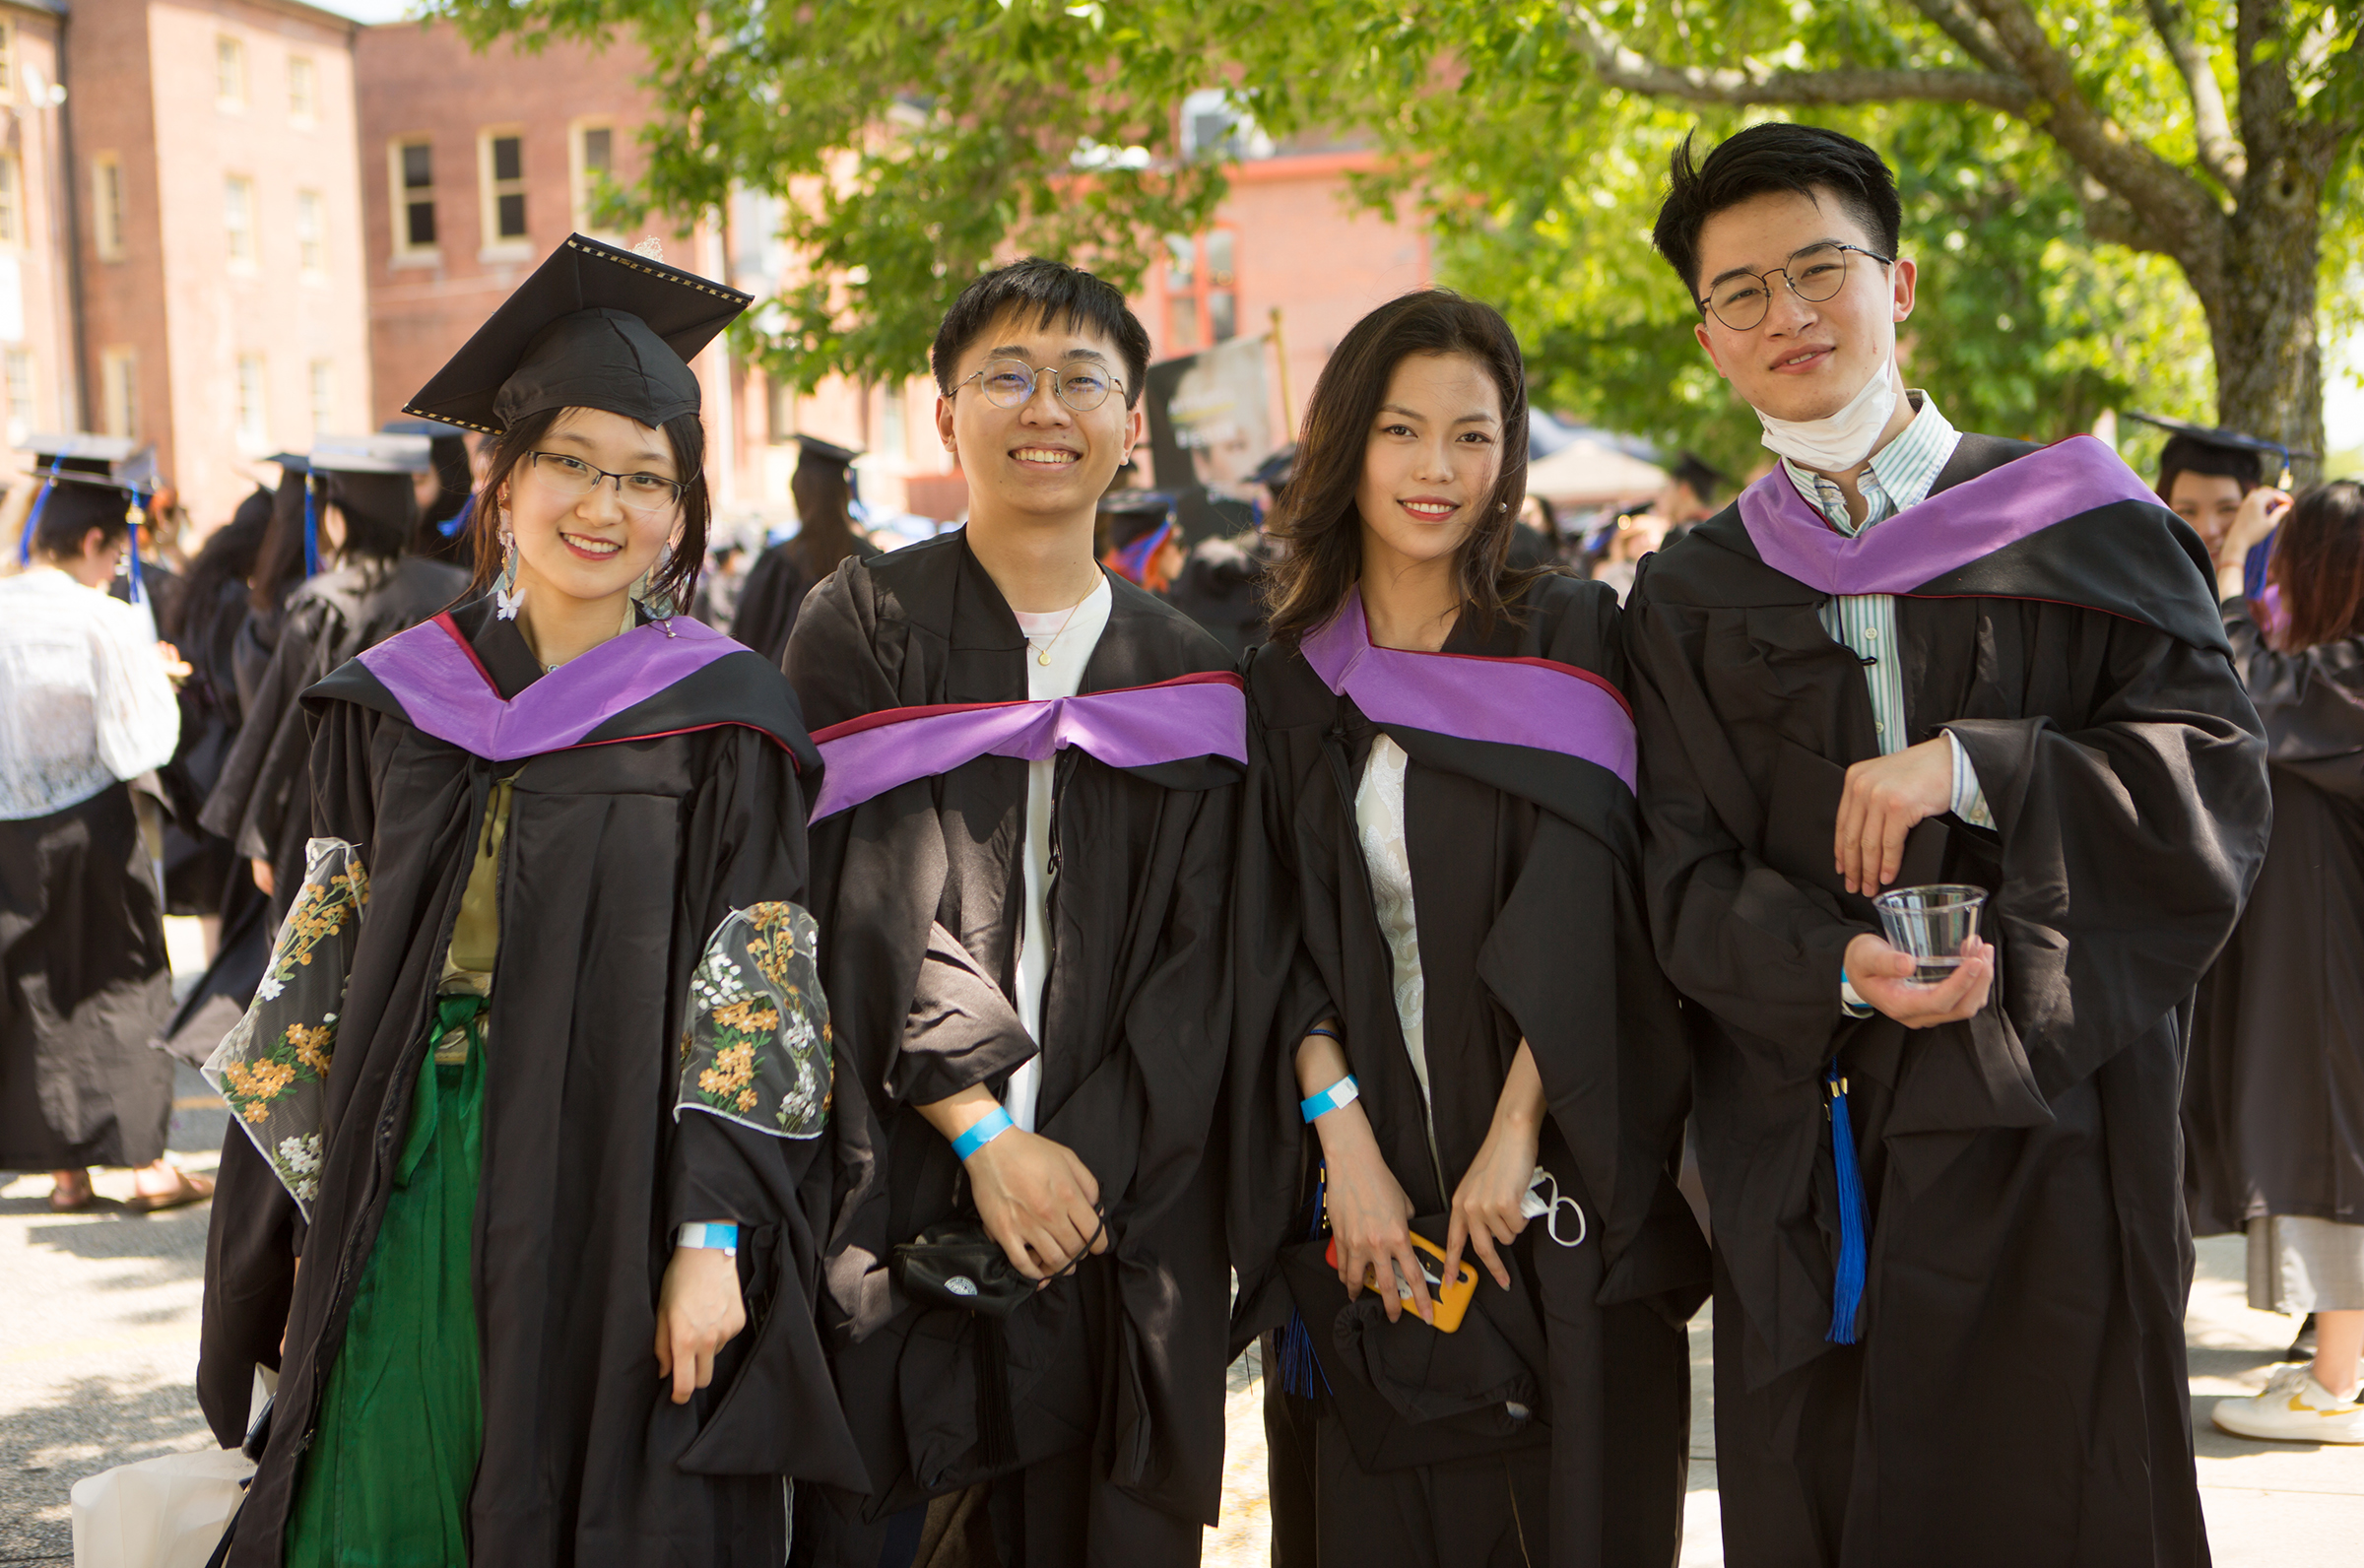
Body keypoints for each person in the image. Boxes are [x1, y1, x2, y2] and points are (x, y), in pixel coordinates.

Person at [1620, 122, 2269, 1565]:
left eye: (1820, 269)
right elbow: (1674, 867)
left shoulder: (2085, 525)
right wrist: (1835, 963)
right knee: (1834, 1490)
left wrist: (1976, 765)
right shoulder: (1689, 595)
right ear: (1710, 338)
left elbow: (2215, 780)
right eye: (1742, 292)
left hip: (2056, 1114)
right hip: (1819, 1142)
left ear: (1899, 284)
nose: (1788, 315)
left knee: (2058, 1489)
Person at [198, 232, 863, 1565]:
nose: (602, 505)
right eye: (569, 462)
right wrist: (278, 1249)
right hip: (416, 1167)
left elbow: (756, 1001)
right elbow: (312, 984)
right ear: (499, 481)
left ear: (682, 513)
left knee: (601, 1500)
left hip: (623, 1179)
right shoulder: (395, 702)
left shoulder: (723, 721)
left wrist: (712, 1238)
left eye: (643, 478)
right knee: (387, 1490)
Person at [1227, 290, 1705, 1566]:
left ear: (1511, 451)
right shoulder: (1285, 680)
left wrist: (1512, 1136)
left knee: (1564, 1517)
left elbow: (1595, 893)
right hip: (1363, 1209)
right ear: (1348, 444)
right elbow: (1266, 934)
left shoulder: (1560, 639)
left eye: (1473, 436)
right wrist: (1348, 1150)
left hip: (1550, 1201)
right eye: (1401, 431)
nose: (1437, 470)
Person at [784, 258, 1242, 1565]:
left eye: (1083, 378)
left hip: (1117, 1213)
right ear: (945, 417)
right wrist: (991, 1141)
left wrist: (1078, 1166)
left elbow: (1208, 955)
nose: (1047, 407)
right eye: (1007, 377)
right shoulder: (863, 625)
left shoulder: (1192, 672)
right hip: (904, 1177)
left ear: (1132, 421)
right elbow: (851, 902)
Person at [2184, 480, 2364, 1443]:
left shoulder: (2345, 677)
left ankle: (2336, 1384)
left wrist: (2223, 566)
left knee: (2334, 1136)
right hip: (2331, 937)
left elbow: (2235, 679)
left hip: (2337, 952)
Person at [0, 446, 208, 1212]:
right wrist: (159, 678)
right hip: (90, 820)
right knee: (120, 981)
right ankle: (147, 1168)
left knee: (34, 990)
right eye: (115, 552)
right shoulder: (104, 617)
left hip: (5, 827)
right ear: (93, 542)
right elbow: (142, 743)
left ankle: (64, 1175)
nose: (116, 566)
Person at [199, 435, 468, 919]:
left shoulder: (322, 602)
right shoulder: (455, 593)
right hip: (433, 798)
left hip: (328, 804)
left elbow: (280, 726)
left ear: (337, 519)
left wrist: (262, 829)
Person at [732, 433, 880, 664]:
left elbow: (747, 641)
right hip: (859, 696)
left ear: (798, 492)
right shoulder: (871, 560)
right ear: (845, 492)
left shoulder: (779, 562)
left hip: (787, 694)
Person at [2138, 413, 2289, 599]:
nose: (2208, 530)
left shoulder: (2282, 603)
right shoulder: (2143, 599)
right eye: (2187, 511)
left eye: (2227, 509)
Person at [1098, 488, 1184, 592]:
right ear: (1155, 547)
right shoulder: (1108, 594)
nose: (1185, 551)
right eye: (1179, 542)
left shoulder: (1163, 594)